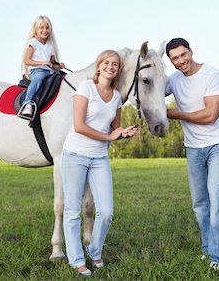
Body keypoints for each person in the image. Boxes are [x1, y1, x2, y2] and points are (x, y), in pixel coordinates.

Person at [61, 49, 138, 276]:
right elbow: (79, 125)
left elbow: (114, 127)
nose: (110, 67)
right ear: (99, 66)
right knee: (72, 210)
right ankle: (76, 260)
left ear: (118, 70)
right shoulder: (85, 88)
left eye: (115, 64)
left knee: (106, 211)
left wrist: (123, 132)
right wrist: (109, 137)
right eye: (106, 62)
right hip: (75, 154)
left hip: (99, 158)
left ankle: (94, 250)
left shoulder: (116, 97)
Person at [165, 38, 219, 271]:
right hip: (192, 147)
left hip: (217, 145)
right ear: (171, 61)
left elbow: (210, 115)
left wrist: (173, 114)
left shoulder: (213, 75)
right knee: (199, 203)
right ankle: (207, 248)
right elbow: (149, 89)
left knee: (216, 199)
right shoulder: (173, 81)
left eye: (183, 55)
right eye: (175, 58)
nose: (181, 61)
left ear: (191, 52)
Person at [18, 15, 65, 119]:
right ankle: (28, 103)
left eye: (47, 28)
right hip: (37, 70)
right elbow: (27, 60)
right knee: (38, 79)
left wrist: (59, 65)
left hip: (49, 71)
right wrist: (42, 63)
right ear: (35, 29)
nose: (45, 30)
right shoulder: (33, 43)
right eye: (41, 28)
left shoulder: (50, 45)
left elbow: (52, 63)